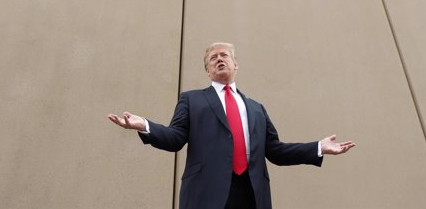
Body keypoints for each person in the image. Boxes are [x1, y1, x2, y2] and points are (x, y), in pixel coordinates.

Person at [108, 42, 355, 209]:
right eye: (213, 58)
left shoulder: (257, 108)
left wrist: (318, 147)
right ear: (207, 70)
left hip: (251, 192)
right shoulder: (192, 99)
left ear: (236, 65)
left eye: (224, 55)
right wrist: (145, 126)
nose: (219, 59)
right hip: (207, 192)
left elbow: (276, 151)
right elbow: (174, 138)